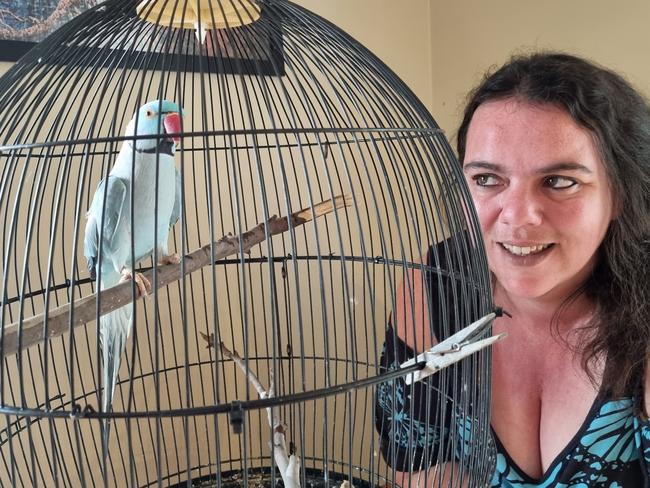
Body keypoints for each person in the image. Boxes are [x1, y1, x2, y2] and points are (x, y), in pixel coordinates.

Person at [375, 52, 650, 486]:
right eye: (486, 179)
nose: (518, 217)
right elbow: (419, 470)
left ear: (620, 196)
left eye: (560, 181)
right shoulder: (433, 285)